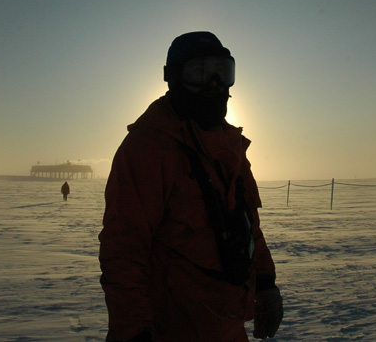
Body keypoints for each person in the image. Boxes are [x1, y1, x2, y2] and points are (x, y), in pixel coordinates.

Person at [99, 31, 283, 342]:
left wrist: (265, 283)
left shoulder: (232, 149)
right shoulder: (149, 148)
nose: (214, 82)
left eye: (223, 72)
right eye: (199, 72)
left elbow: (248, 227)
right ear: (174, 78)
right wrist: (132, 333)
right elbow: (124, 250)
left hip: (229, 326)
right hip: (172, 329)